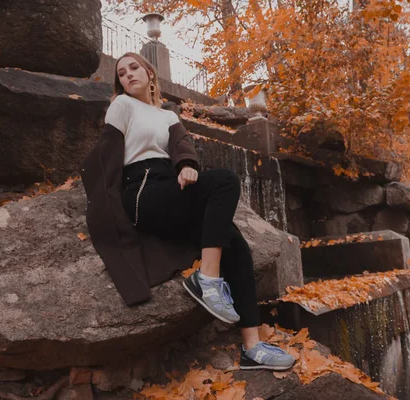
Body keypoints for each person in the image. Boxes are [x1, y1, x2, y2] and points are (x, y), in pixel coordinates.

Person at [81, 52, 295, 371]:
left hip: (172, 189)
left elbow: (182, 147)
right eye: (122, 73)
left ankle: (252, 346)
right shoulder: (122, 106)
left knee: (235, 242)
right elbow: (107, 156)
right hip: (142, 190)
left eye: (134, 68)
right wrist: (107, 210)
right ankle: (207, 280)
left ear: (150, 73)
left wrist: (187, 166)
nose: (128, 75)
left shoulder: (168, 115)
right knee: (225, 180)